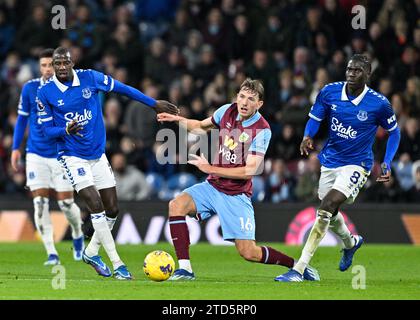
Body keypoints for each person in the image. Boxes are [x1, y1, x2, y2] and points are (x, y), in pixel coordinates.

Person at [37, 47, 179, 280]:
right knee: (96, 205)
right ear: (53, 66)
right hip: (72, 155)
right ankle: (118, 264)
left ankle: (91, 252)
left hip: (96, 154)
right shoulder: (46, 93)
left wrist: (153, 103)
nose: (61, 67)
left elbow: (123, 89)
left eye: (65, 63)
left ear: (72, 63)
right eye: (57, 64)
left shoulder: (90, 78)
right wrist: (64, 129)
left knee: (113, 208)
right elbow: (45, 130)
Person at [157, 78, 319, 281]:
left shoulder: (262, 130)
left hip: (235, 194)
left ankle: (297, 266)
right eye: (242, 96)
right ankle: (185, 269)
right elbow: (199, 126)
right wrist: (176, 120)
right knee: (176, 205)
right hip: (213, 186)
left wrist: (209, 167)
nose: (244, 102)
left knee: (249, 252)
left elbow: (249, 171)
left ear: (259, 104)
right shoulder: (226, 110)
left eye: (251, 99)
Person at [276, 54, 401, 282]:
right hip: (330, 160)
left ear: (367, 74)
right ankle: (351, 243)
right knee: (329, 211)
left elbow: (395, 132)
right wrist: (307, 135)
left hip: (357, 164)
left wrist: (387, 161)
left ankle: (299, 268)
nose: (351, 74)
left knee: (328, 205)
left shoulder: (379, 103)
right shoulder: (329, 92)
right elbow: (315, 117)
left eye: (357, 71)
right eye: (349, 70)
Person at [11, 48, 84, 266]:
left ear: (58, 65)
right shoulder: (30, 88)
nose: (46, 69)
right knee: (40, 203)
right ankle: (51, 252)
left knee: (66, 204)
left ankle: (78, 232)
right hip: (36, 153)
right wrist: (16, 148)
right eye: (43, 65)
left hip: (62, 153)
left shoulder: (68, 88)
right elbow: (22, 119)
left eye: (50, 65)